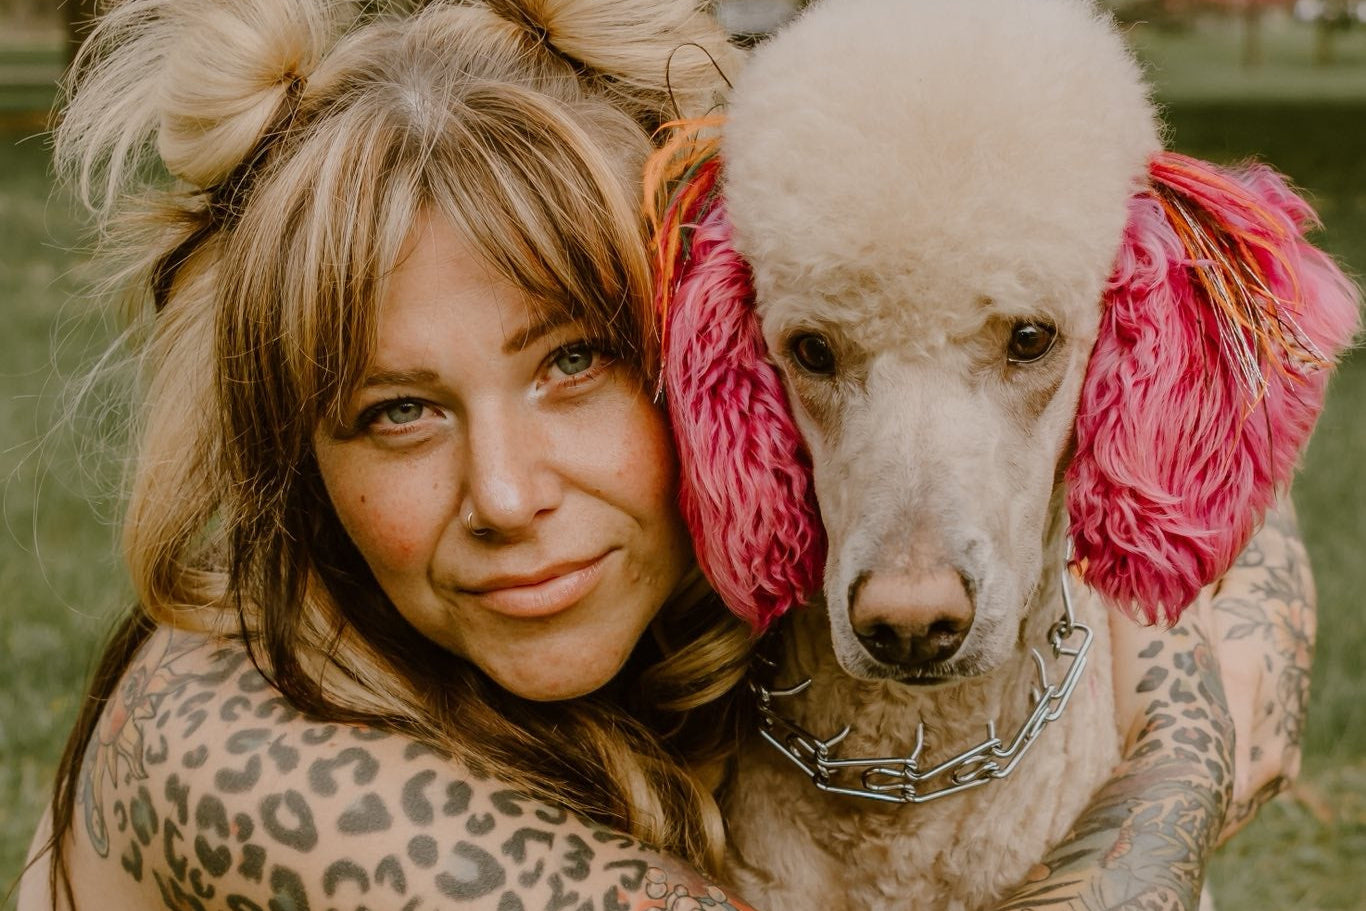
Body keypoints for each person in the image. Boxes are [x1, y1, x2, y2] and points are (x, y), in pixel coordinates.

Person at [15, 0, 1312, 908]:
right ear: (290, 457)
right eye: (395, 411)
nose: (509, 495)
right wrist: (1180, 742)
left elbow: (1247, 525)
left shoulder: (704, 608)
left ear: (706, 359)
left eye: (573, 363)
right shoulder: (226, 744)